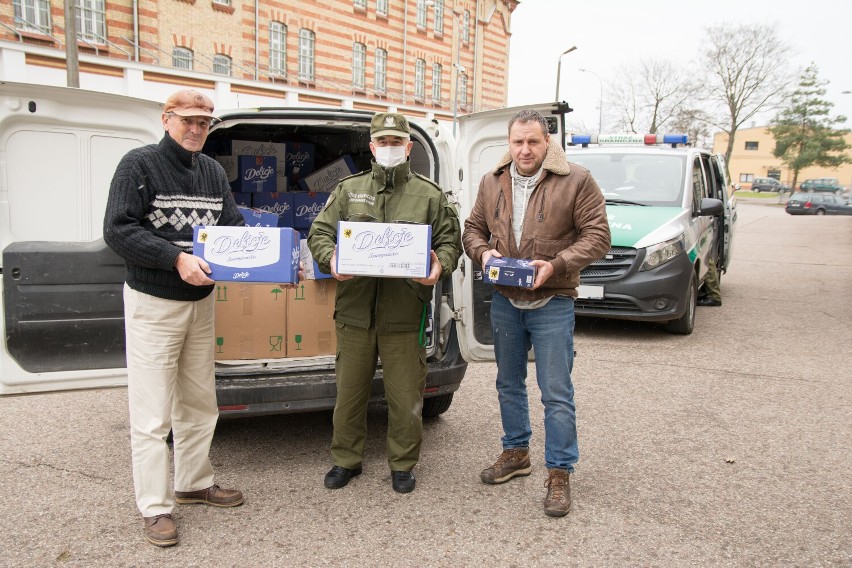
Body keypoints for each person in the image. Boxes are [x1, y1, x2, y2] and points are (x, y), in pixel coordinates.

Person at [104, 89, 248, 547]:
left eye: (205, 122)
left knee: (199, 402)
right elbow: (118, 229)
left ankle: (193, 483)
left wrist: (271, 259)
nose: (197, 129)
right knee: (152, 414)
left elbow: (232, 228)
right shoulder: (138, 165)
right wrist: (174, 258)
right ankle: (155, 507)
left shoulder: (210, 171)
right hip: (154, 302)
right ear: (167, 118)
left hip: (200, 304)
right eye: (188, 120)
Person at [462, 109, 610, 517]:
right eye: (517, 142)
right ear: (508, 144)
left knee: (556, 394)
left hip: (553, 302)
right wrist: (483, 251)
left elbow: (599, 236)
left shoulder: (577, 180)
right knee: (508, 383)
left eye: (533, 142)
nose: (525, 149)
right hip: (506, 301)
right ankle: (516, 452)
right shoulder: (492, 181)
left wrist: (557, 264)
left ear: (547, 144)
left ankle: (560, 471)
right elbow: (471, 229)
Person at [307, 112, 462, 494]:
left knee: (406, 396)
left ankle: (403, 464)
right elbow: (320, 234)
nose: (390, 148)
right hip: (355, 314)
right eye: (383, 142)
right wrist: (331, 259)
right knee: (349, 393)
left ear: (408, 148)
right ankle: (346, 460)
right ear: (372, 147)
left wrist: (440, 264)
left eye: (397, 142)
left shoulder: (430, 195)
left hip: (404, 313)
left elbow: (450, 243)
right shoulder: (348, 190)